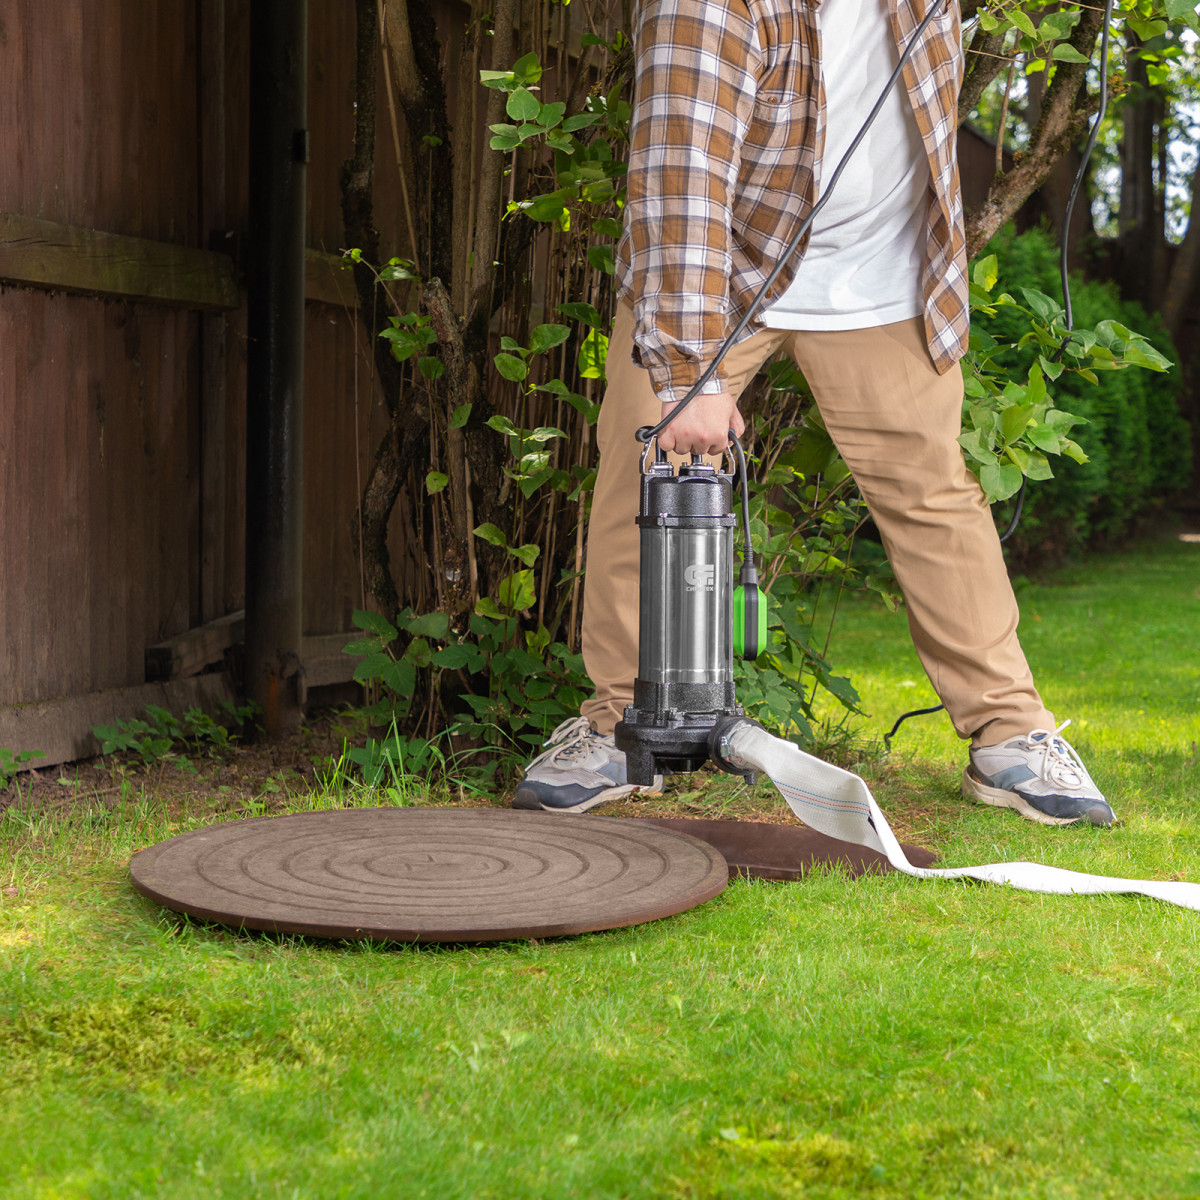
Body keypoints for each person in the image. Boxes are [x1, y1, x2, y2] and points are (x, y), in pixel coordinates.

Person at [512, 0, 1114, 827]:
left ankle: (1011, 734)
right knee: (643, 478)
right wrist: (689, 372)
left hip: (881, 279)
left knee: (934, 497)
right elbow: (679, 172)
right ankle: (621, 727)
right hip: (722, 279)